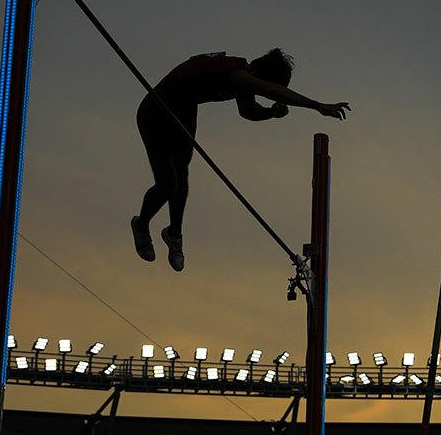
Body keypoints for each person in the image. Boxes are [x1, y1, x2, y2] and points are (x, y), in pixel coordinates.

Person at [131, 49, 349, 271]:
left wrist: (270, 114)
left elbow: (248, 111)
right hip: (155, 111)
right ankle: (141, 225)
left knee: (181, 173)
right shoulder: (237, 74)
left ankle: (174, 235)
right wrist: (317, 105)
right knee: (168, 184)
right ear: (258, 74)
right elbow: (269, 89)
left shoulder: (243, 80)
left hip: (183, 110)